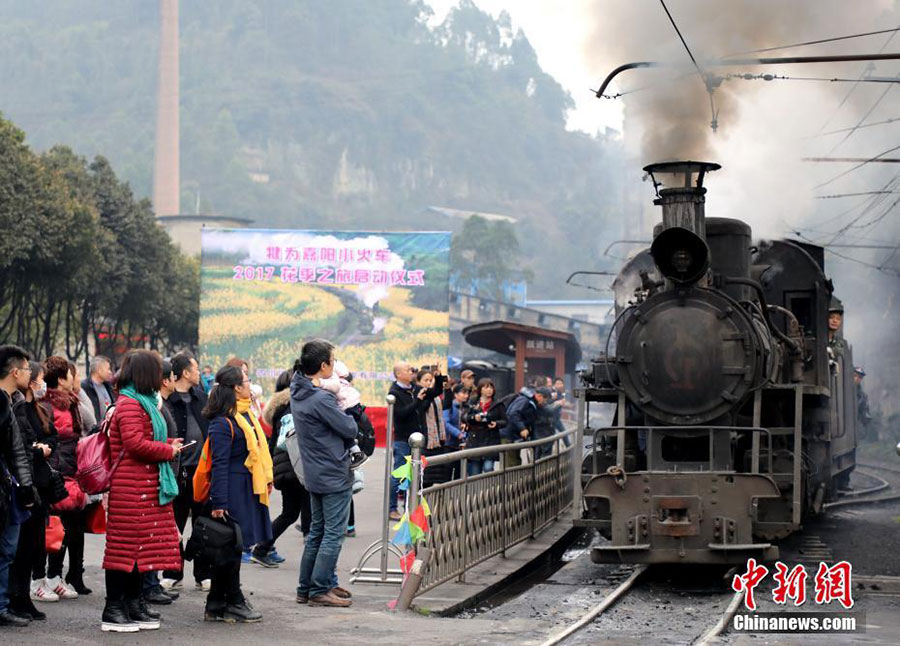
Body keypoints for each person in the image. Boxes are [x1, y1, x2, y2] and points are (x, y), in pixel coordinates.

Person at [99, 349, 183, 632]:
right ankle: (113, 609)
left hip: (144, 487)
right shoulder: (130, 404)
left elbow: (141, 439)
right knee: (122, 552)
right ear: (147, 373)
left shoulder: (141, 401)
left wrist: (168, 442)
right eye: (158, 370)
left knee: (139, 551)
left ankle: (132, 604)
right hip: (130, 488)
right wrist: (167, 450)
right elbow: (134, 445)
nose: (162, 376)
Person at [291, 339, 357, 608]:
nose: (334, 363)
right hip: (331, 470)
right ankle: (319, 589)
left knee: (317, 531)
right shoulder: (320, 399)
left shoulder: (299, 390)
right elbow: (349, 428)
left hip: (315, 470)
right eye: (332, 360)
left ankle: (308, 587)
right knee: (333, 533)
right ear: (323, 366)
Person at [202, 364, 271, 623]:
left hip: (245, 487)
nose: (249, 385)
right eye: (246, 381)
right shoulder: (223, 422)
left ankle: (218, 603)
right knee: (230, 549)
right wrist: (219, 502)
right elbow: (219, 464)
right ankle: (233, 599)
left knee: (232, 548)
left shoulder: (244, 415)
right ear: (235, 388)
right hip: (232, 490)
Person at [10, 361, 56, 620]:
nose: (42, 384)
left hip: (42, 483)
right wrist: (38, 449)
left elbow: (53, 435)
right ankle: (15, 598)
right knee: (21, 546)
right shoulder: (17, 408)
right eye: (38, 378)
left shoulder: (39, 409)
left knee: (35, 544)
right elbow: (22, 446)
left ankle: (23, 598)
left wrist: (45, 445)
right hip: (26, 483)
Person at [161, 352, 211, 592]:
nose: (199, 372)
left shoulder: (201, 397)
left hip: (201, 471)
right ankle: (173, 570)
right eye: (195, 368)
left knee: (202, 524)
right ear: (184, 373)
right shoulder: (168, 400)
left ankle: (202, 573)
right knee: (175, 524)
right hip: (177, 470)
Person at [250, 370, 310, 567]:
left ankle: (261, 548)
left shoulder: (280, 408)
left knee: (290, 513)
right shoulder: (293, 408)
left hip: (284, 466)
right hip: (294, 466)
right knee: (300, 510)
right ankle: (263, 548)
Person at [43, 355, 88, 599]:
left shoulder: (70, 403)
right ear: (61, 380)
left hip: (69, 470)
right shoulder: (51, 406)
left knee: (68, 527)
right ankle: (46, 578)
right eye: (71, 375)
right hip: (58, 472)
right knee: (56, 528)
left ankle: (55, 576)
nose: (74, 378)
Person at [0, 346, 36, 627]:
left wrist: (24, 485)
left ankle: (2, 604)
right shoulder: (5, 403)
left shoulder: (12, 401)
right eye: (26, 369)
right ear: (14, 372)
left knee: (7, 549)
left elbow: (16, 452)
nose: (31, 375)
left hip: (7, 487)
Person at [141, 360, 180, 605]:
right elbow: (142, 444)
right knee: (149, 537)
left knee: (156, 537)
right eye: (172, 377)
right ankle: (149, 585)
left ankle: (152, 584)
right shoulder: (151, 405)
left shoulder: (159, 404)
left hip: (164, 475)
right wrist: (168, 448)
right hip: (154, 479)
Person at [388, 361, 421, 520]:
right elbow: (400, 414)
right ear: (399, 374)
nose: (412, 372)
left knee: (413, 475)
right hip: (403, 439)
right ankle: (392, 508)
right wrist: (417, 402)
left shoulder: (413, 388)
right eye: (408, 370)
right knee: (399, 475)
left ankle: (409, 507)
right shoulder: (395, 392)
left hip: (415, 439)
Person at [463, 378, 506, 475]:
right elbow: (464, 416)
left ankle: (489, 489)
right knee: (475, 471)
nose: (489, 390)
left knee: (488, 467)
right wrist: (474, 417)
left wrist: (496, 424)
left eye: (491, 387)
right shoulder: (473, 402)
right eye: (486, 387)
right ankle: (476, 490)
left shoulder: (498, 404)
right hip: (475, 439)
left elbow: (505, 421)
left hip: (491, 438)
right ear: (480, 389)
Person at [502, 386, 547, 467]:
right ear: (539, 396)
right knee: (511, 463)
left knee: (516, 461)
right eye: (544, 399)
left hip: (515, 436)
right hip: (509, 435)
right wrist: (522, 428)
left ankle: (515, 479)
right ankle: (513, 479)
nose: (544, 402)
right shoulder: (524, 400)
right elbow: (513, 414)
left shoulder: (533, 404)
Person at [81, 355, 116, 427]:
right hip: (94, 430)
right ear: (99, 369)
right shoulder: (85, 387)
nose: (110, 372)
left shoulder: (108, 386)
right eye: (108, 369)